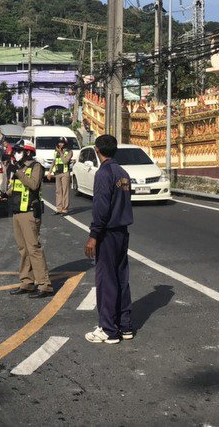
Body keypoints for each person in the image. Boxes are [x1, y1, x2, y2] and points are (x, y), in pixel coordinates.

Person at [84, 134, 134, 344]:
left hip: (108, 232)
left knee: (106, 280)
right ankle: (125, 326)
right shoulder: (123, 173)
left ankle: (108, 330)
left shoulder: (103, 174)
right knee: (122, 279)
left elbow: (101, 208)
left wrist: (94, 235)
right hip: (122, 231)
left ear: (97, 150)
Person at [7, 143, 53, 298]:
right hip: (17, 211)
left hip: (30, 212)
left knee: (33, 248)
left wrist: (19, 172)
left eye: (19, 151)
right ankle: (27, 282)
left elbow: (33, 185)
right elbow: (15, 187)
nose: (16, 154)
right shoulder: (17, 167)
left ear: (28, 152)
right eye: (15, 151)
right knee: (23, 249)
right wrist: (5, 194)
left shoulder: (36, 166)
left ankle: (44, 285)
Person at [47, 137, 73, 215]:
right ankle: (59, 208)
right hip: (57, 173)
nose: (60, 144)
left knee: (65, 191)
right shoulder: (56, 152)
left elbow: (65, 161)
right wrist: (49, 172)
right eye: (59, 143)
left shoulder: (69, 151)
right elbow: (53, 162)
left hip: (65, 173)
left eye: (62, 143)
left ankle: (65, 209)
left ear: (65, 144)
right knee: (58, 191)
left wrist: (61, 152)